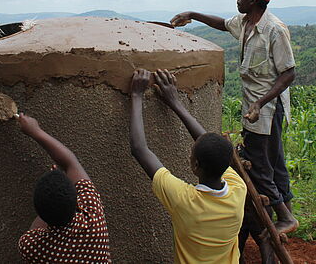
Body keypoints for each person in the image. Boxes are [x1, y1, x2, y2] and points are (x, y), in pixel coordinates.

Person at [171, 0, 297, 261]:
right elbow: (221, 23)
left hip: (266, 107)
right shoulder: (245, 23)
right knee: (274, 161)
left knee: (261, 164)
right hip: (256, 106)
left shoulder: (274, 30)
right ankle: (285, 211)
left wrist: (260, 103)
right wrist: (192, 14)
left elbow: (289, 73)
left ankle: (283, 215)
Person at [129, 68, 247, 263]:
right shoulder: (238, 189)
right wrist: (175, 103)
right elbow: (206, 142)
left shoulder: (185, 201)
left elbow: (139, 149)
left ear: (196, 166)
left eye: (191, 154)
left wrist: (136, 95)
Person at [16, 114, 110, 263]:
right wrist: (36, 131)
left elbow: (33, 231)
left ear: (40, 214)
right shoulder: (93, 214)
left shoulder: (31, 246)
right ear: (76, 199)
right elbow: (70, 162)